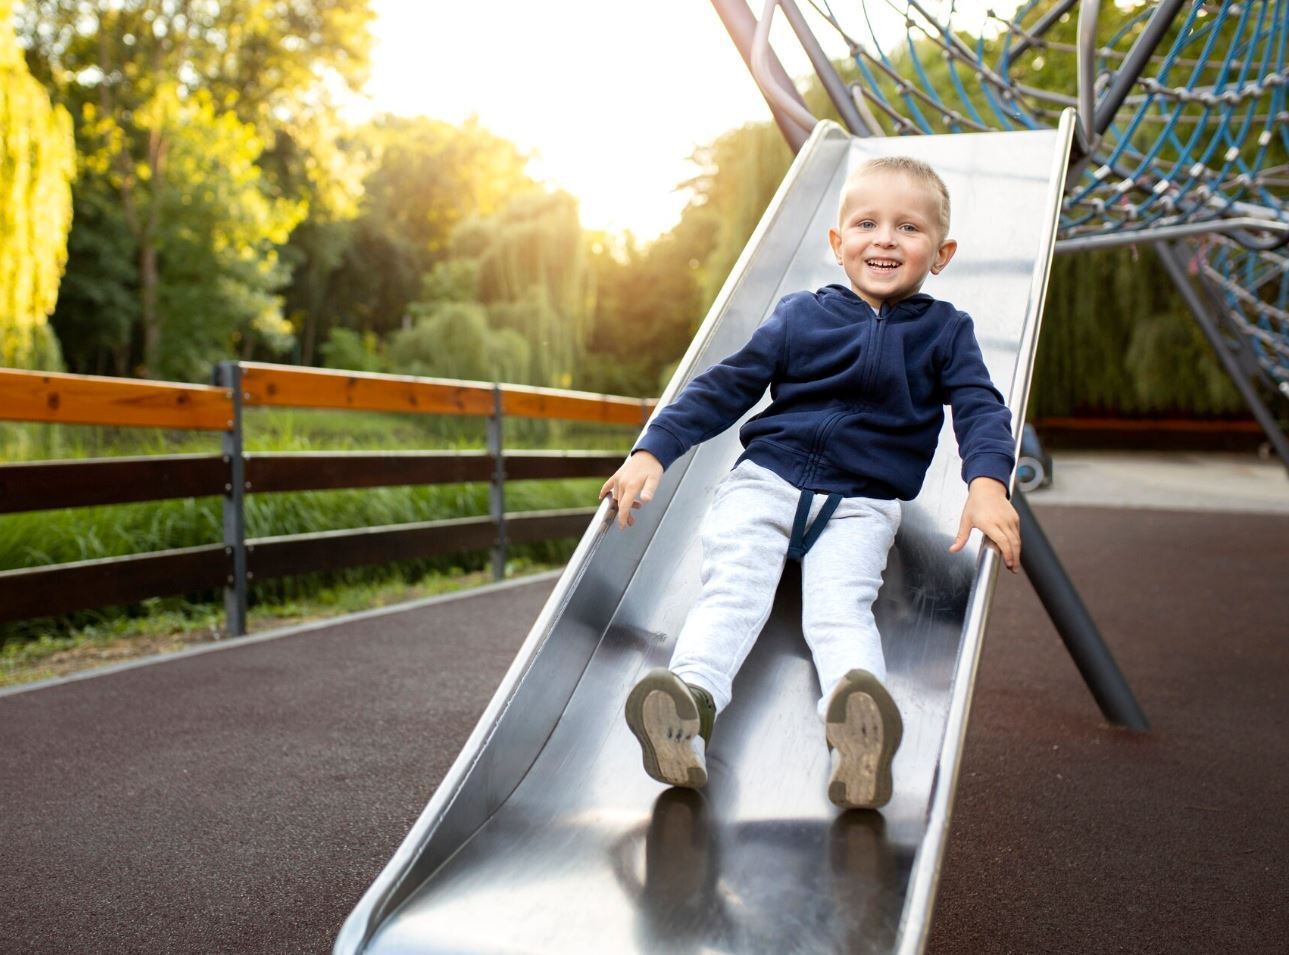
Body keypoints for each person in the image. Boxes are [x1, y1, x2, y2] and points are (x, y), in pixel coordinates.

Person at [599, 156, 1021, 810]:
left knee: (841, 609)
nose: (884, 239)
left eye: (908, 228)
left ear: (941, 254)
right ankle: (689, 706)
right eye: (866, 223)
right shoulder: (800, 316)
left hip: (861, 503)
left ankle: (856, 730)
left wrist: (987, 482)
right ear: (837, 241)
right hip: (766, 482)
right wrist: (654, 449)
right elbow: (727, 385)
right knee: (734, 589)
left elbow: (979, 405)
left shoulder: (945, 332)